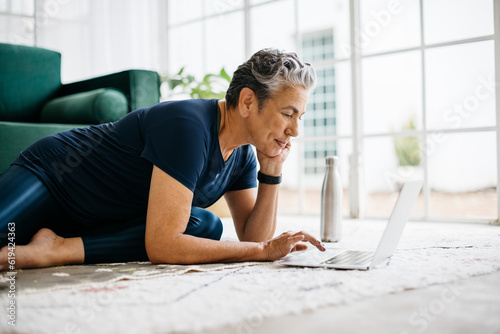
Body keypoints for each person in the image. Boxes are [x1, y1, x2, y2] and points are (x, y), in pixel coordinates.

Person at [0, 48, 325, 270]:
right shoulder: (189, 126)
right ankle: (54, 245)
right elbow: (164, 246)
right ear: (248, 101)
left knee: (205, 226)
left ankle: (58, 248)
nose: (295, 130)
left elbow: (255, 238)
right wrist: (262, 252)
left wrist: (272, 172)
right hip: (54, 178)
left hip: (95, 220)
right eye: (288, 114)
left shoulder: (242, 154)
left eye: (300, 117)